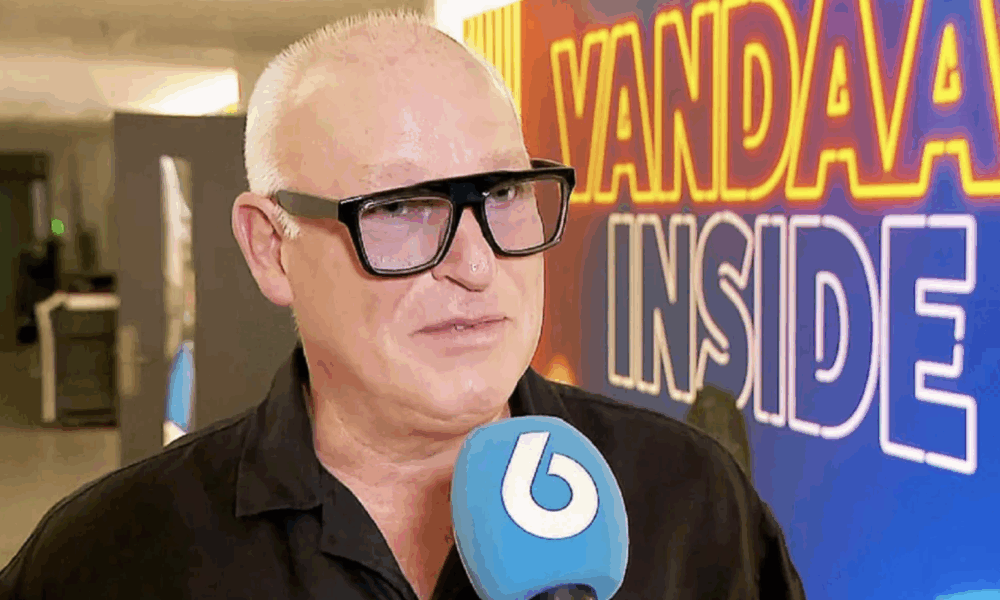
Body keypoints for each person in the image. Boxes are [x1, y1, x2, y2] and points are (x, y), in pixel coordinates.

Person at [0, 10, 806, 600]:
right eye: (399, 207)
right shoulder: (110, 557)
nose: (476, 263)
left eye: (503, 192)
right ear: (271, 247)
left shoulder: (691, 500)